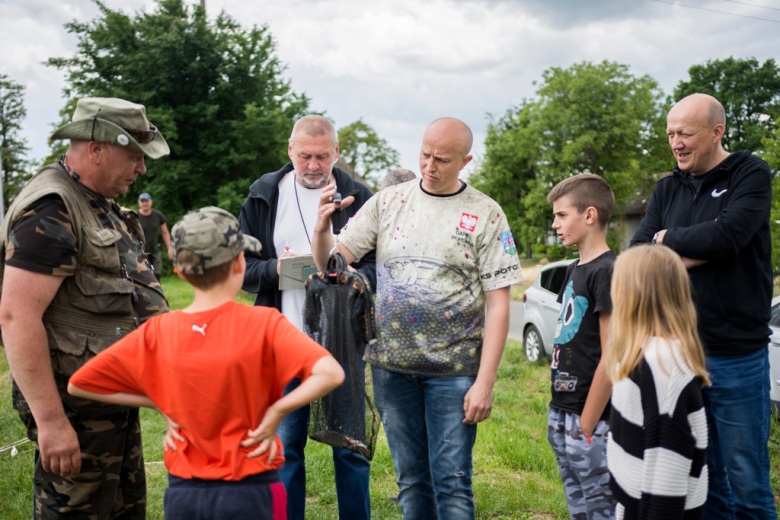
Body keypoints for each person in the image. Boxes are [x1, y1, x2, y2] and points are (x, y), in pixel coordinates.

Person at [67, 206, 345, 520]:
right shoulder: (265, 322)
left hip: (184, 493)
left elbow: (80, 383)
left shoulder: (158, 330)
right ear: (240, 263)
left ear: (181, 273)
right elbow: (330, 372)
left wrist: (163, 404)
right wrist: (276, 411)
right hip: (254, 489)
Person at [311, 117, 522, 520]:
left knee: (452, 482)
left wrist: (485, 383)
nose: (429, 166)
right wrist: (323, 230)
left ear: (465, 161)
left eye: (442, 159)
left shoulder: (485, 214)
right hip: (392, 369)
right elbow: (332, 267)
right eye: (425, 154)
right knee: (411, 482)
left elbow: (499, 304)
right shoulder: (389, 202)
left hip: (455, 373)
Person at [0, 97, 170, 519]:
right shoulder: (52, 208)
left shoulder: (96, 199)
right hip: (73, 412)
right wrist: (52, 423)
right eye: (134, 157)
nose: (142, 169)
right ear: (97, 149)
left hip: (107, 406)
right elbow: (16, 317)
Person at [631, 93, 776, 519]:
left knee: (747, 478)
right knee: (705, 477)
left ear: (717, 132)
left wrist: (668, 240)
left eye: (685, 133)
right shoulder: (667, 187)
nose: (676, 142)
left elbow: (730, 234)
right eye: (671, 133)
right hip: (678, 353)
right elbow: (640, 251)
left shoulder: (750, 171)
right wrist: (697, 245)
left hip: (737, 353)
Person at [239, 114, 376, 520]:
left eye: (322, 156)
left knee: (351, 449)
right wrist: (276, 271)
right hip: (281, 343)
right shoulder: (263, 194)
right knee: (284, 449)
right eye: (304, 156)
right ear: (289, 151)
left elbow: (379, 265)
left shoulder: (359, 195)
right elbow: (242, 267)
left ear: (337, 152)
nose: (313, 165)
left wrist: (353, 276)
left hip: (343, 344)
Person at [606, 245, 710, 520]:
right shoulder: (642, 354)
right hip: (633, 503)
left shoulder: (663, 368)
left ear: (634, 295)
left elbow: (666, 475)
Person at [546, 174, 617, 520]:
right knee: (579, 508)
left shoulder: (609, 271)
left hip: (592, 418)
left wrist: (587, 422)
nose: (555, 224)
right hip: (561, 410)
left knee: (601, 507)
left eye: (561, 215)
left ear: (589, 215)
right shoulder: (575, 267)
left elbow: (612, 354)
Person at [137, 192, 173, 281]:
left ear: (151, 202)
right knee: (141, 279)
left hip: (154, 252)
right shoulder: (135, 216)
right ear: (139, 203)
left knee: (156, 278)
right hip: (139, 252)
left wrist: (170, 247)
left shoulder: (158, 215)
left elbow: (165, 232)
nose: (145, 203)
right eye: (142, 201)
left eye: (147, 201)